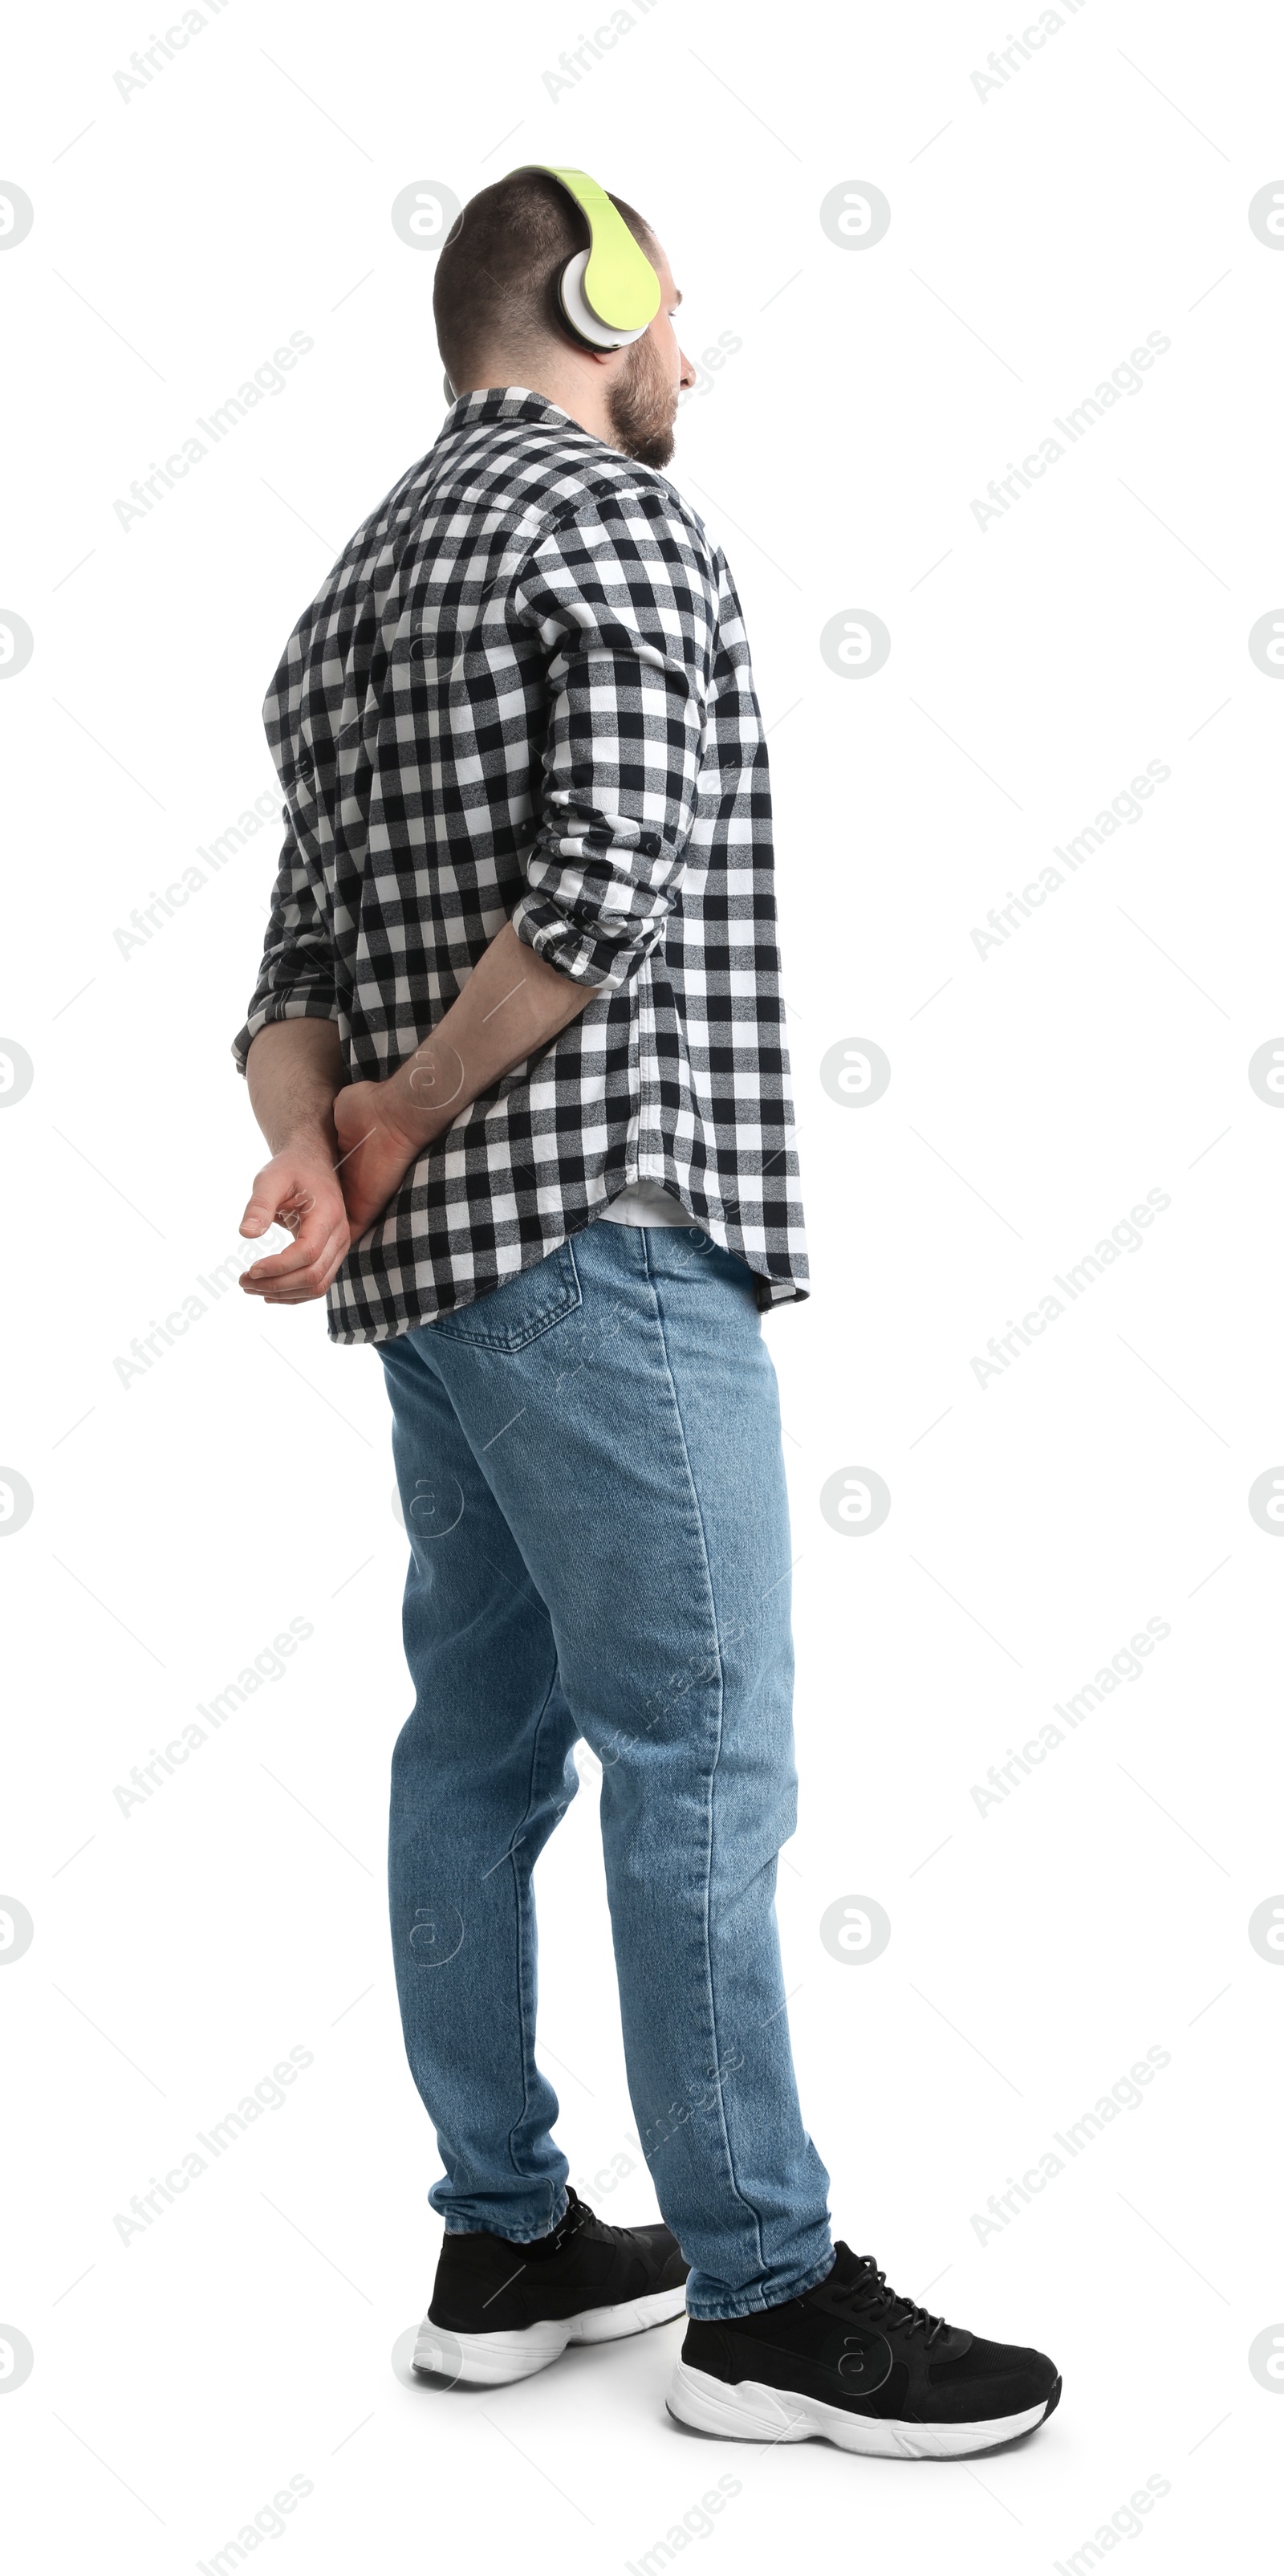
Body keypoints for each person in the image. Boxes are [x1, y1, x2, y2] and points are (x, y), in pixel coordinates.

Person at [234, 165, 1060, 2456]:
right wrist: (393, 1110)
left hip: (433, 1292)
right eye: (677, 304)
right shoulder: (606, 520)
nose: (695, 346)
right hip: (603, 1232)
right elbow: (603, 889)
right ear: (593, 300)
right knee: (704, 1754)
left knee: (477, 1746)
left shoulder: (350, 594)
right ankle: (768, 2299)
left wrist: (328, 1145)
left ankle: (504, 2233)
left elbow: (280, 984)